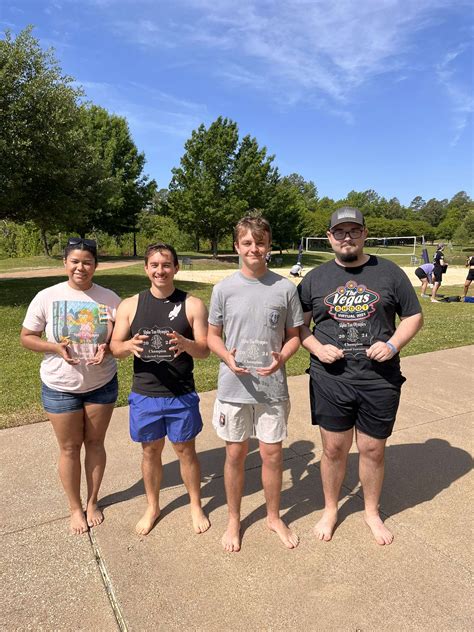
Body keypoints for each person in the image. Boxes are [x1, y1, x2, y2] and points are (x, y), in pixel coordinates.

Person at [298, 207, 423, 546]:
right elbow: (297, 326)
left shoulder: (390, 273)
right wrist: (316, 348)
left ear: (365, 234)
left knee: (372, 450)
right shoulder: (315, 279)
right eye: (340, 232)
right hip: (331, 377)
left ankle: (370, 511)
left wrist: (393, 345)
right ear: (330, 237)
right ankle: (330, 509)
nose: (347, 237)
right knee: (334, 448)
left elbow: (413, 316)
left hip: (378, 378)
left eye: (353, 230)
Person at [207, 216, 303, 552]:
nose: (254, 248)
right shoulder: (223, 289)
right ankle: (234, 518)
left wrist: (283, 357)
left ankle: (274, 516)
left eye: (260, 242)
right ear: (237, 246)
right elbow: (212, 336)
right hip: (234, 386)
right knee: (235, 454)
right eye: (247, 242)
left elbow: (294, 336)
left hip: (271, 387)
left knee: (272, 455)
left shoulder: (285, 288)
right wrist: (226, 357)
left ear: (268, 246)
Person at [20, 238, 121, 534]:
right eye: (75, 261)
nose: (81, 267)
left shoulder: (110, 298)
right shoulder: (47, 296)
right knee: (68, 448)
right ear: (65, 263)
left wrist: (109, 349)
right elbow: (27, 336)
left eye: (87, 262)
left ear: (96, 266)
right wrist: (53, 347)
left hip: (101, 384)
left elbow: (122, 339)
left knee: (95, 443)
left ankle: (92, 501)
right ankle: (74, 507)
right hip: (60, 386)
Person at [110, 242, 210, 536]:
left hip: (181, 393)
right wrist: (128, 345)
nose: (160, 270)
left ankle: (195, 504)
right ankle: (152, 505)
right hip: (145, 393)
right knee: (150, 451)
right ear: (146, 269)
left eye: (166, 265)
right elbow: (115, 347)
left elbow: (204, 350)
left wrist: (186, 344)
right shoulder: (130, 305)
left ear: (176, 268)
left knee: (185, 450)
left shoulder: (192, 304)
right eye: (154, 265)